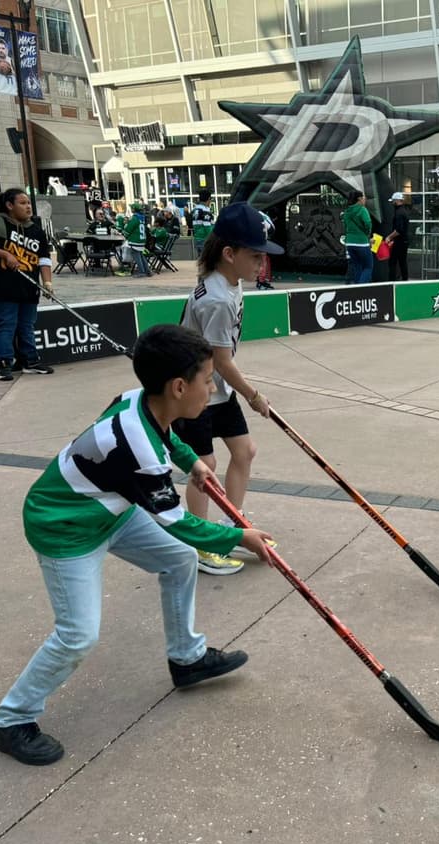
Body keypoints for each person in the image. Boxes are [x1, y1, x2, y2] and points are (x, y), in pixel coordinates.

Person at [0, 324, 277, 765]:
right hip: (64, 527)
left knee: (179, 561)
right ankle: (12, 720)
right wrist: (240, 536)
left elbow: (168, 436)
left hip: (109, 510)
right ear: (179, 387)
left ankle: (187, 658)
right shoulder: (139, 450)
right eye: (207, 380)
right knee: (78, 636)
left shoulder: (136, 399)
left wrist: (192, 462)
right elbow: (180, 523)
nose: (212, 389)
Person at [172, 203, 282, 575]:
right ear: (229, 254)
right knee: (205, 467)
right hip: (194, 392)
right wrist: (254, 395)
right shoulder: (218, 299)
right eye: (255, 256)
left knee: (244, 451)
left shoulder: (228, 283)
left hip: (216, 389)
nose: (261, 265)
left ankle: (233, 526)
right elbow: (221, 361)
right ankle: (199, 543)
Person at [0, 188, 54, 381]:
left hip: (29, 288)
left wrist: (47, 282)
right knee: (6, 325)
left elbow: (44, 259)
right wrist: (5, 254)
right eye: (23, 203)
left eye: (29, 203)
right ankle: (5, 365)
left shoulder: (36, 231)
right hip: (3, 288)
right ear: (10, 205)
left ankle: (31, 362)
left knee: (27, 326)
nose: (28, 207)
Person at [343, 191, 373, 284]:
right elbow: (368, 223)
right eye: (364, 197)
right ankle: (361, 287)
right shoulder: (362, 209)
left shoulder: (347, 211)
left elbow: (345, 226)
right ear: (359, 199)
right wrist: (367, 233)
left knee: (357, 266)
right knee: (368, 266)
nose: (365, 199)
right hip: (361, 242)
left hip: (349, 243)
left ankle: (356, 287)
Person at [119, 201, 152, 277]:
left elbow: (128, 229)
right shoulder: (142, 217)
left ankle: (142, 272)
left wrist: (123, 232)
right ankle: (147, 271)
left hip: (135, 240)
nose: (131, 209)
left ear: (134, 209)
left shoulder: (134, 218)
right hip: (142, 240)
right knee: (141, 255)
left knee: (136, 256)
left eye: (131, 208)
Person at [384, 191, 412, 281]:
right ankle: (404, 280)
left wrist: (389, 237)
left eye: (393, 201)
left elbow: (398, 230)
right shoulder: (404, 211)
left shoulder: (399, 213)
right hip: (404, 241)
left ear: (397, 201)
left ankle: (391, 282)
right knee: (402, 262)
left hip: (399, 241)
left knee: (392, 262)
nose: (392, 203)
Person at [190, 189, 214, 256]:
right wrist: (213, 238)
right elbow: (208, 227)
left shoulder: (195, 210)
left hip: (197, 237)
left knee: (201, 258)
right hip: (205, 239)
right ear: (208, 199)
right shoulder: (205, 210)